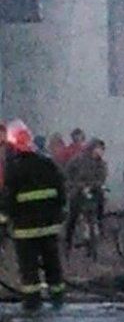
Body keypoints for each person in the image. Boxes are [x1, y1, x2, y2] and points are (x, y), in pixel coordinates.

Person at [5, 121, 66, 311]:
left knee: (29, 268)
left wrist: (4, 222)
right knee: (52, 263)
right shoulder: (47, 164)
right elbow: (61, 193)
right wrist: (57, 215)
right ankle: (57, 298)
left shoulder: (14, 168)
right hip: (49, 226)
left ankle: (32, 303)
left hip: (25, 229)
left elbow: (8, 200)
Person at [64, 139, 108, 255]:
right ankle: (67, 241)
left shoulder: (101, 164)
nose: (100, 151)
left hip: (93, 192)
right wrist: (75, 185)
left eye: (102, 149)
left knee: (97, 213)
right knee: (72, 217)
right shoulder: (78, 160)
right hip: (78, 191)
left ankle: (96, 237)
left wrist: (97, 186)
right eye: (98, 148)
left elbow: (102, 178)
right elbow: (68, 173)